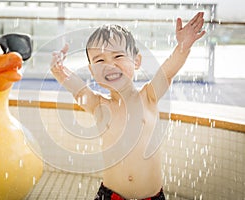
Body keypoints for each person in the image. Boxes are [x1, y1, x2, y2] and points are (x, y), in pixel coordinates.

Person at [50, 12, 205, 200]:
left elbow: (168, 72)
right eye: (100, 60)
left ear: (136, 61)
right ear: (92, 70)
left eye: (118, 56)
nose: (110, 65)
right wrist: (58, 70)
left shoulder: (148, 96)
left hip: (151, 196)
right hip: (110, 195)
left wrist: (182, 47)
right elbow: (77, 90)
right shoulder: (98, 105)